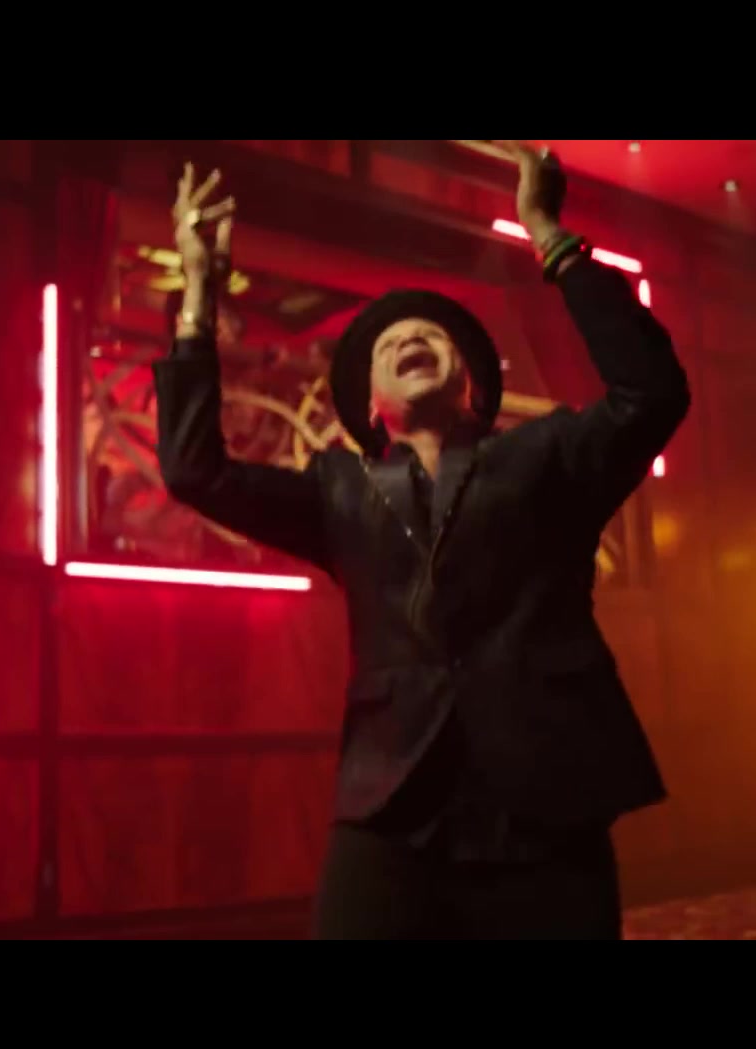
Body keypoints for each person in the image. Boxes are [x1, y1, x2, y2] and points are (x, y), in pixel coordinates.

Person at [154, 143, 690, 939]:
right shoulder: (339, 489)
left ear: (471, 385)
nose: (409, 336)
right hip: (391, 806)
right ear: (371, 407)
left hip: (545, 801)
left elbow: (652, 392)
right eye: (387, 342)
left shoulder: (545, 457)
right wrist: (199, 296)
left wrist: (549, 235)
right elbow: (193, 470)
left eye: (431, 334)